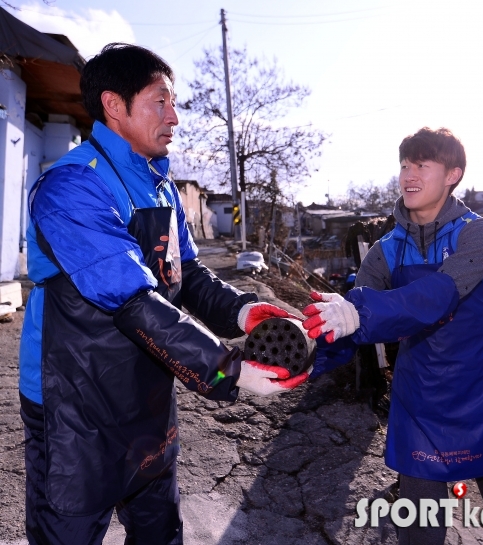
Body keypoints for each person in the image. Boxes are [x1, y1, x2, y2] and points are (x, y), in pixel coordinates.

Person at [18, 43, 311, 545]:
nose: (174, 117)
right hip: (75, 402)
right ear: (114, 105)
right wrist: (229, 369)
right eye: (161, 101)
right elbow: (133, 299)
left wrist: (244, 312)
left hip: (148, 391)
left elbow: (187, 276)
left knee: (159, 531)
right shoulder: (69, 188)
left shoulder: (161, 186)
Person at [302, 127, 483, 544]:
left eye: (422, 164)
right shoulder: (385, 249)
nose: (409, 173)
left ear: (452, 175)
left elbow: (438, 295)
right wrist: (305, 350)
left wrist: (358, 312)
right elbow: (351, 321)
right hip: (421, 398)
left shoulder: (479, 234)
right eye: (404, 164)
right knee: (420, 524)